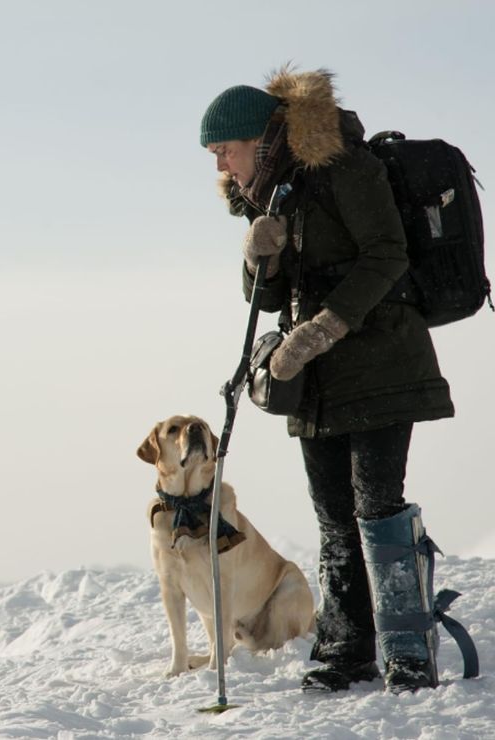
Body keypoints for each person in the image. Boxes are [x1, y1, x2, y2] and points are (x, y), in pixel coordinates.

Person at [199, 67, 455, 694]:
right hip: (315, 380)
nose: (222, 167)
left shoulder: (344, 167)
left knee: (377, 507)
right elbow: (272, 297)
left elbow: (386, 254)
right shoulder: (276, 193)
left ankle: (407, 651)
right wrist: (259, 257)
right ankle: (346, 649)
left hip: (381, 366)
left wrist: (323, 329)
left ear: (258, 139)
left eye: (225, 151)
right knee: (335, 515)